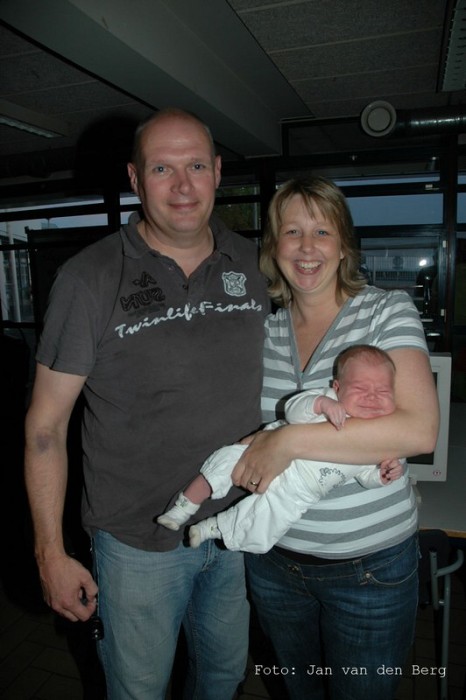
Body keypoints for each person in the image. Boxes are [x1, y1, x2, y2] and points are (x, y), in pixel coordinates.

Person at [24, 107, 270, 700]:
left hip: (234, 530)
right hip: (136, 545)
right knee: (138, 690)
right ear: (135, 179)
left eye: (194, 167)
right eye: (162, 168)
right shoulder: (89, 279)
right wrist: (49, 552)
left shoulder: (255, 264)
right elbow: (44, 429)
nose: (182, 186)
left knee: (221, 680)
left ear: (216, 172)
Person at [230, 176, 439, 700]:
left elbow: (418, 428)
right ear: (273, 246)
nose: (306, 248)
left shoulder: (385, 310)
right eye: (291, 231)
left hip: (370, 570)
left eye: (322, 231)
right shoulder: (263, 331)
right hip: (275, 563)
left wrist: (288, 442)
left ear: (343, 244)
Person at [157, 345, 403, 553]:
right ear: (337, 388)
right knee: (223, 463)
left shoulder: (376, 440)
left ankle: (213, 528)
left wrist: (381, 476)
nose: (372, 397)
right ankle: (183, 507)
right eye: (360, 389)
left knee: (265, 522)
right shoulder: (327, 399)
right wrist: (320, 404)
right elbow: (293, 409)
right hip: (264, 446)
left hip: (300, 490)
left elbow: (363, 474)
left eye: (383, 391)